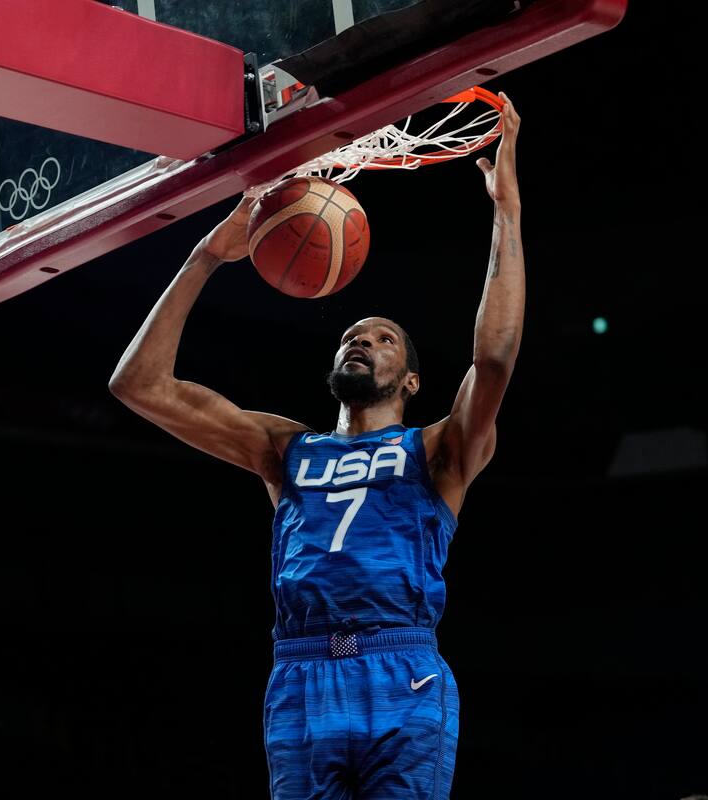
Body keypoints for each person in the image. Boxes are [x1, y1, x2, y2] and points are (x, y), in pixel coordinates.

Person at [108, 95, 523, 798]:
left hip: (403, 668)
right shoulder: (285, 449)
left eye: (383, 337)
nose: (360, 339)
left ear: (413, 378)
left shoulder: (439, 450)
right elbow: (138, 384)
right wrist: (208, 255)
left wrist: (505, 212)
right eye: (350, 335)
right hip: (302, 674)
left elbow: (495, 359)